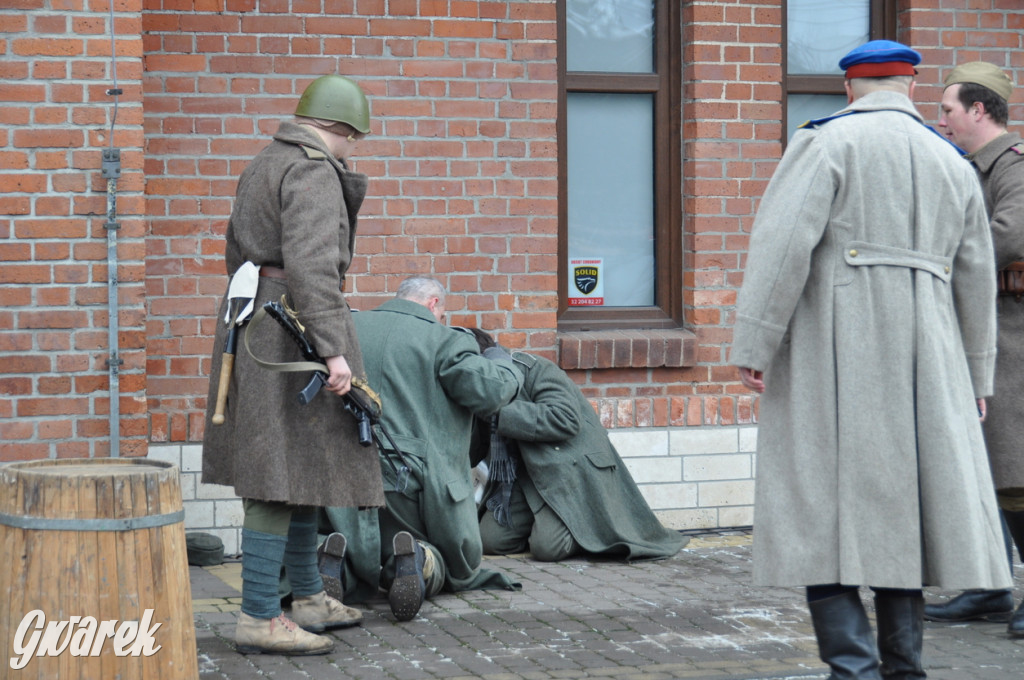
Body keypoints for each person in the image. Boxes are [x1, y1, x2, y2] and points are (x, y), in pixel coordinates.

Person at [729, 40, 1010, 679]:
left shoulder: (825, 143)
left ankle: (851, 671)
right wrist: (977, 373)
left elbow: (780, 250)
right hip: (929, 365)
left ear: (849, 89)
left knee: (818, 513)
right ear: (910, 89)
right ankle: (903, 669)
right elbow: (975, 278)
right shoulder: (952, 159)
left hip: (834, 355)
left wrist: (754, 343)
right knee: (902, 517)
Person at [202, 74, 383, 655]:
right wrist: (333, 350)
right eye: (354, 138)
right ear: (342, 128)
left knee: (301, 464)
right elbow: (312, 267)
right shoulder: (311, 169)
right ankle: (259, 615)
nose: (352, 149)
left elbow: (237, 253)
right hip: (292, 332)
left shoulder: (264, 162)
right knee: (275, 476)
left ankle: (305, 596)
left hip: (261, 322)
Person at [318, 276, 524, 621]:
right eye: (441, 313)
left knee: (344, 544)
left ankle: (328, 560)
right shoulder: (444, 339)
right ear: (433, 304)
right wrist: (501, 361)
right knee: (453, 562)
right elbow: (491, 392)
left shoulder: (346, 327)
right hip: (415, 486)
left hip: (340, 477)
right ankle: (419, 559)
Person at [924, 62, 1024, 637]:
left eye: (948, 110)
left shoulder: (1013, 168)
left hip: (1012, 334)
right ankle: (989, 587)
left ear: (979, 111)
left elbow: (1006, 235)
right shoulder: (966, 168)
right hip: (979, 328)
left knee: (1014, 469)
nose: (941, 121)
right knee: (984, 468)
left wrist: (939, 252)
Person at [464, 328, 688, 562]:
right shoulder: (480, 389)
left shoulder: (533, 368)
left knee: (547, 548)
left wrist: (498, 413)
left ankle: (579, 528)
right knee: (489, 541)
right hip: (521, 477)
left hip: (565, 470)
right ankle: (543, 520)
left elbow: (566, 419)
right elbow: (473, 453)